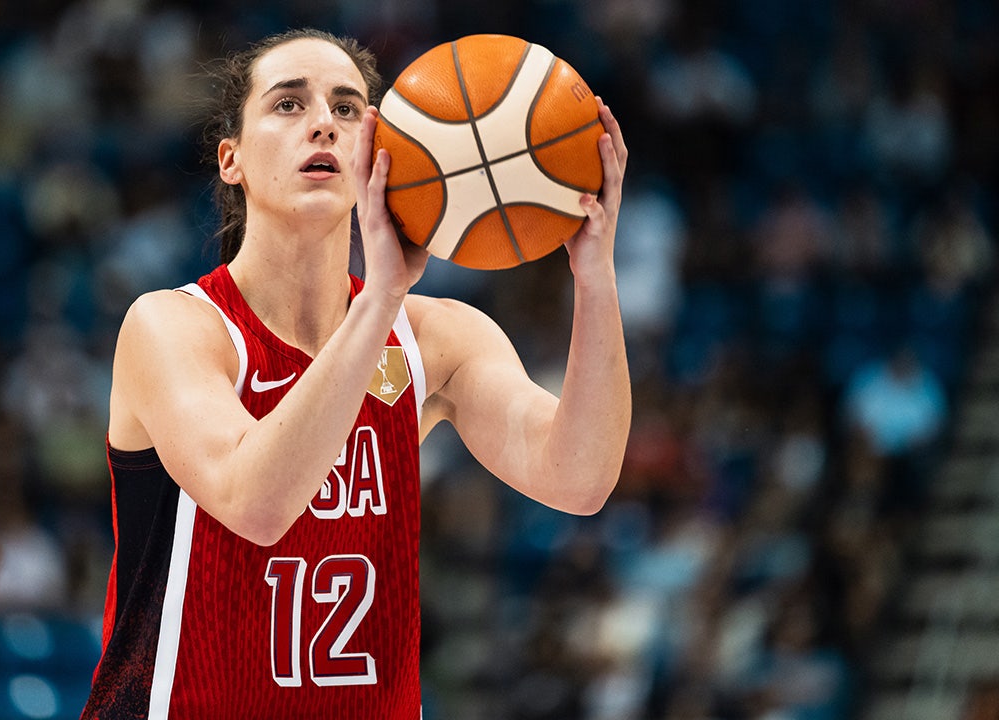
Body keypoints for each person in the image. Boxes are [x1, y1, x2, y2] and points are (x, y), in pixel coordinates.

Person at [81, 27, 630, 719]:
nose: (323, 123)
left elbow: (580, 480)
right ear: (232, 159)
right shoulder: (175, 328)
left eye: (346, 108)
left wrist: (595, 277)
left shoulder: (434, 338)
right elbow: (256, 505)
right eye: (288, 104)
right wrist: (380, 300)